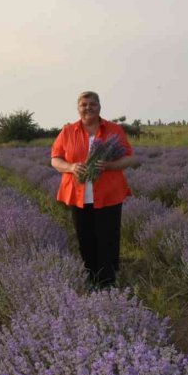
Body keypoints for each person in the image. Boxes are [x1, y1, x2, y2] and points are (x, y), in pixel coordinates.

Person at [51, 91, 136, 288]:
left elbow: (130, 158)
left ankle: (107, 281)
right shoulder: (67, 131)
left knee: (108, 237)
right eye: (84, 104)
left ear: (99, 106)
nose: (88, 108)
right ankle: (91, 278)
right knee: (85, 238)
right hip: (78, 194)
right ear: (78, 108)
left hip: (108, 193)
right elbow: (55, 159)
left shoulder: (114, 130)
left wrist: (108, 165)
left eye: (92, 104)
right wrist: (71, 167)